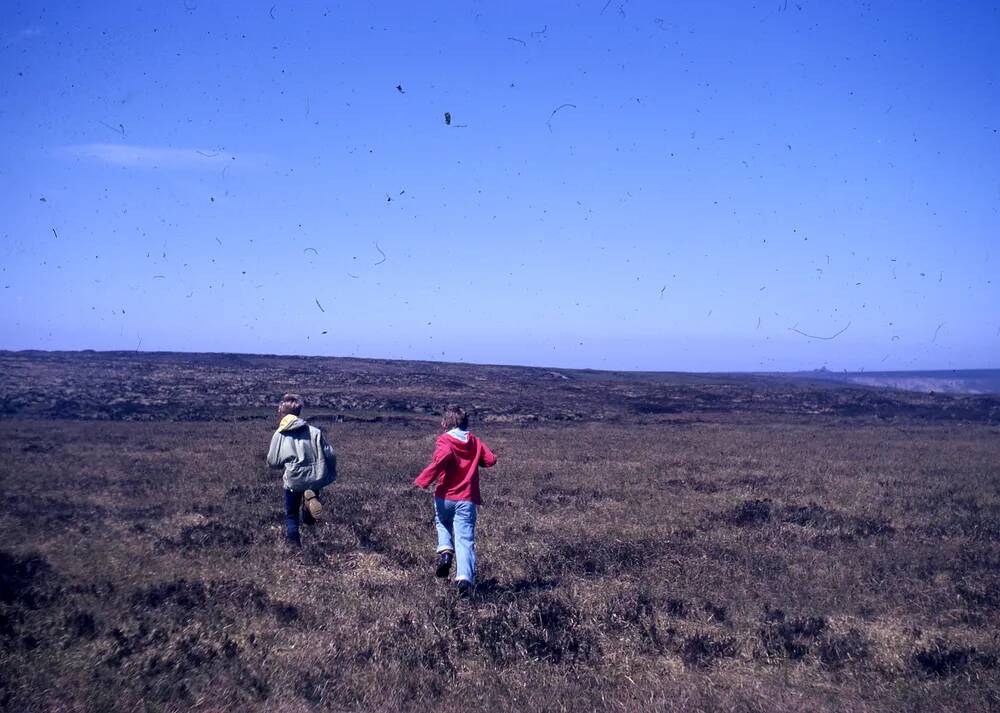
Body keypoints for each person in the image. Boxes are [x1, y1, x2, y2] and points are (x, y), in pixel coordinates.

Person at [413, 405, 498, 595]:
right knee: (465, 539)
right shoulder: (475, 441)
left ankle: (445, 552)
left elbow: (441, 458)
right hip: (466, 498)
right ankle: (464, 581)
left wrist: (423, 480)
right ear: (465, 422)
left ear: (445, 423)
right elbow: (491, 459)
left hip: (445, 495)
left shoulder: (445, 440)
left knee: (442, 522)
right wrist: (477, 459)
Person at [266, 393, 337, 546]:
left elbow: (272, 461)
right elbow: (330, 453)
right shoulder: (315, 432)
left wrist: (282, 464)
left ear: (281, 413)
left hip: (294, 479)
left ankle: (296, 549)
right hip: (314, 477)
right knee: (310, 508)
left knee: (291, 515)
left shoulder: (280, 434)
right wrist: (329, 472)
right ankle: (308, 511)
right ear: (298, 413)